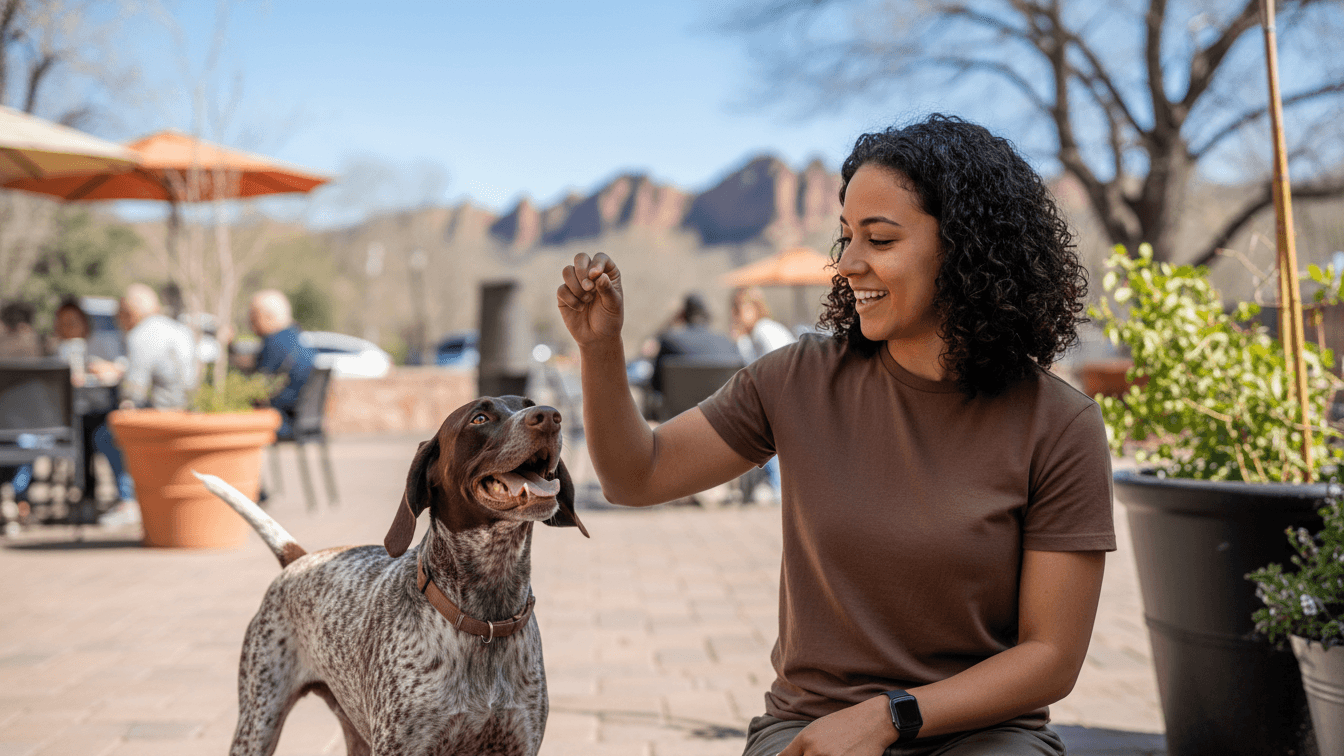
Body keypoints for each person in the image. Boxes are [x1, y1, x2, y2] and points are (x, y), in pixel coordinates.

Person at [557, 114, 1113, 756]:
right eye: (846, 236)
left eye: (878, 239)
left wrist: (889, 717)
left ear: (966, 249)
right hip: (811, 729)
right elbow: (637, 474)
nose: (847, 264)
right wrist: (601, 350)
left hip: (983, 736)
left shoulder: (1058, 424)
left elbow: (1051, 656)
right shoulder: (796, 380)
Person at [248, 289, 315, 439]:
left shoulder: (273, 342)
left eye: (254, 316)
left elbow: (256, 389)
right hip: (306, 420)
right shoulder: (299, 339)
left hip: (284, 421)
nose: (250, 323)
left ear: (269, 316)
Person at [648, 292, 742, 399]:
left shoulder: (669, 340)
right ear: (708, 315)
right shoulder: (727, 343)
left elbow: (656, 384)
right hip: (717, 411)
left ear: (682, 316)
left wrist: (669, 324)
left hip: (678, 413)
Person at [731, 287, 796, 364]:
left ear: (754, 309)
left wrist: (742, 341)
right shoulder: (758, 331)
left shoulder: (764, 330)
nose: (735, 317)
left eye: (738, 311)